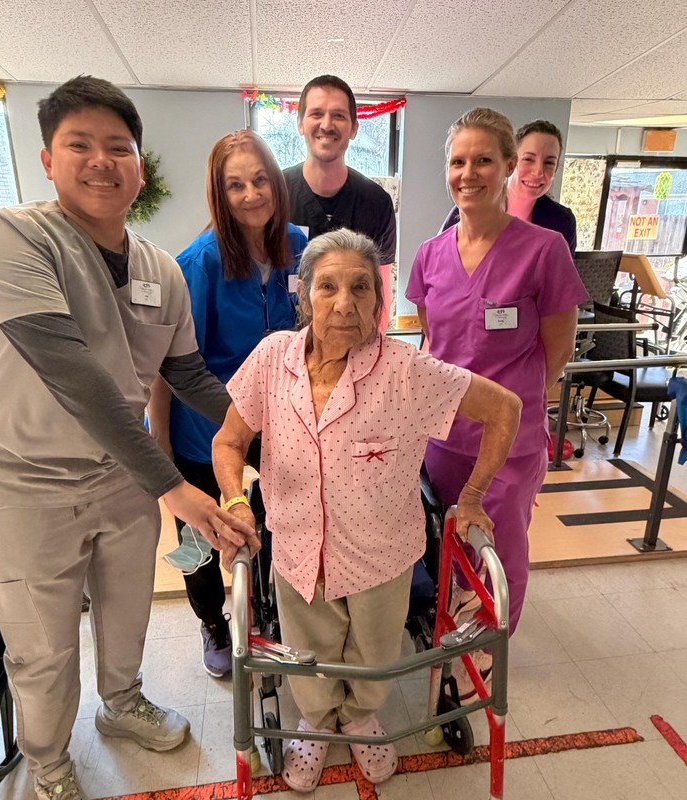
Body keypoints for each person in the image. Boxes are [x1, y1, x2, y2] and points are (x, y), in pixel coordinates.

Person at [0, 76, 253, 800]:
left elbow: (189, 373)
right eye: (80, 144)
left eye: (119, 147)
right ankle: (46, 764)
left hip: (122, 480)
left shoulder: (161, 271)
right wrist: (179, 489)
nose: (101, 161)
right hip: (28, 483)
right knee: (41, 648)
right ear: (47, 159)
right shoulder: (12, 238)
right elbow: (80, 383)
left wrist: (261, 432)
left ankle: (122, 702)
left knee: (127, 606)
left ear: (141, 164)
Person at [212, 228, 522, 792]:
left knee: (374, 653)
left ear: (379, 303)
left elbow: (506, 409)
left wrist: (472, 498)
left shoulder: (406, 370)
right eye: (327, 287)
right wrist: (236, 502)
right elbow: (228, 442)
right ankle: (314, 723)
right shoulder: (271, 357)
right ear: (302, 296)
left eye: (361, 287)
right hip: (299, 547)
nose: (344, 303)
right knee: (306, 655)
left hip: (383, 554)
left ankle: (360, 719)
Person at [407, 108, 587, 700]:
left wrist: (511, 402)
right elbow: (434, 342)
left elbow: (556, 351)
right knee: (447, 538)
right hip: (444, 438)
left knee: (499, 545)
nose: (469, 173)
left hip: (510, 440)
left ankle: (485, 647)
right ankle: (450, 629)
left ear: (509, 167)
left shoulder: (545, 250)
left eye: (484, 160)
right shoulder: (432, 255)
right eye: (458, 161)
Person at [147, 130, 307, 678]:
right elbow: (170, 366)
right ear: (219, 192)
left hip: (279, 425)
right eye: (234, 184)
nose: (251, 194)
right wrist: (162, 445)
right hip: (206, 431)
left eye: (260, 179)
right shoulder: (201, 262)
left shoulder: (298, 247)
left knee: (270, 520)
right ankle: (213, 621)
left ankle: (269, 607)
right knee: (201, 532)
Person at [283, 74, 397, 330]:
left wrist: (374, 352)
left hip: (353, 342)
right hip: (286, 344)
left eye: (338, 115)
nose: (327, 124)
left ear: (354, 128)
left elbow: (382, 286)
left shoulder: (376, 202)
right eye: (316, 114)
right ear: (300, 123)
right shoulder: (275, 194)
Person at [440, 119, 577, 254]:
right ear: (511, 163)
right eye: (528, 159)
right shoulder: (468, 210)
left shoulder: (561, 221)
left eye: (549, 163)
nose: (538, 172)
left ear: (557, 167)